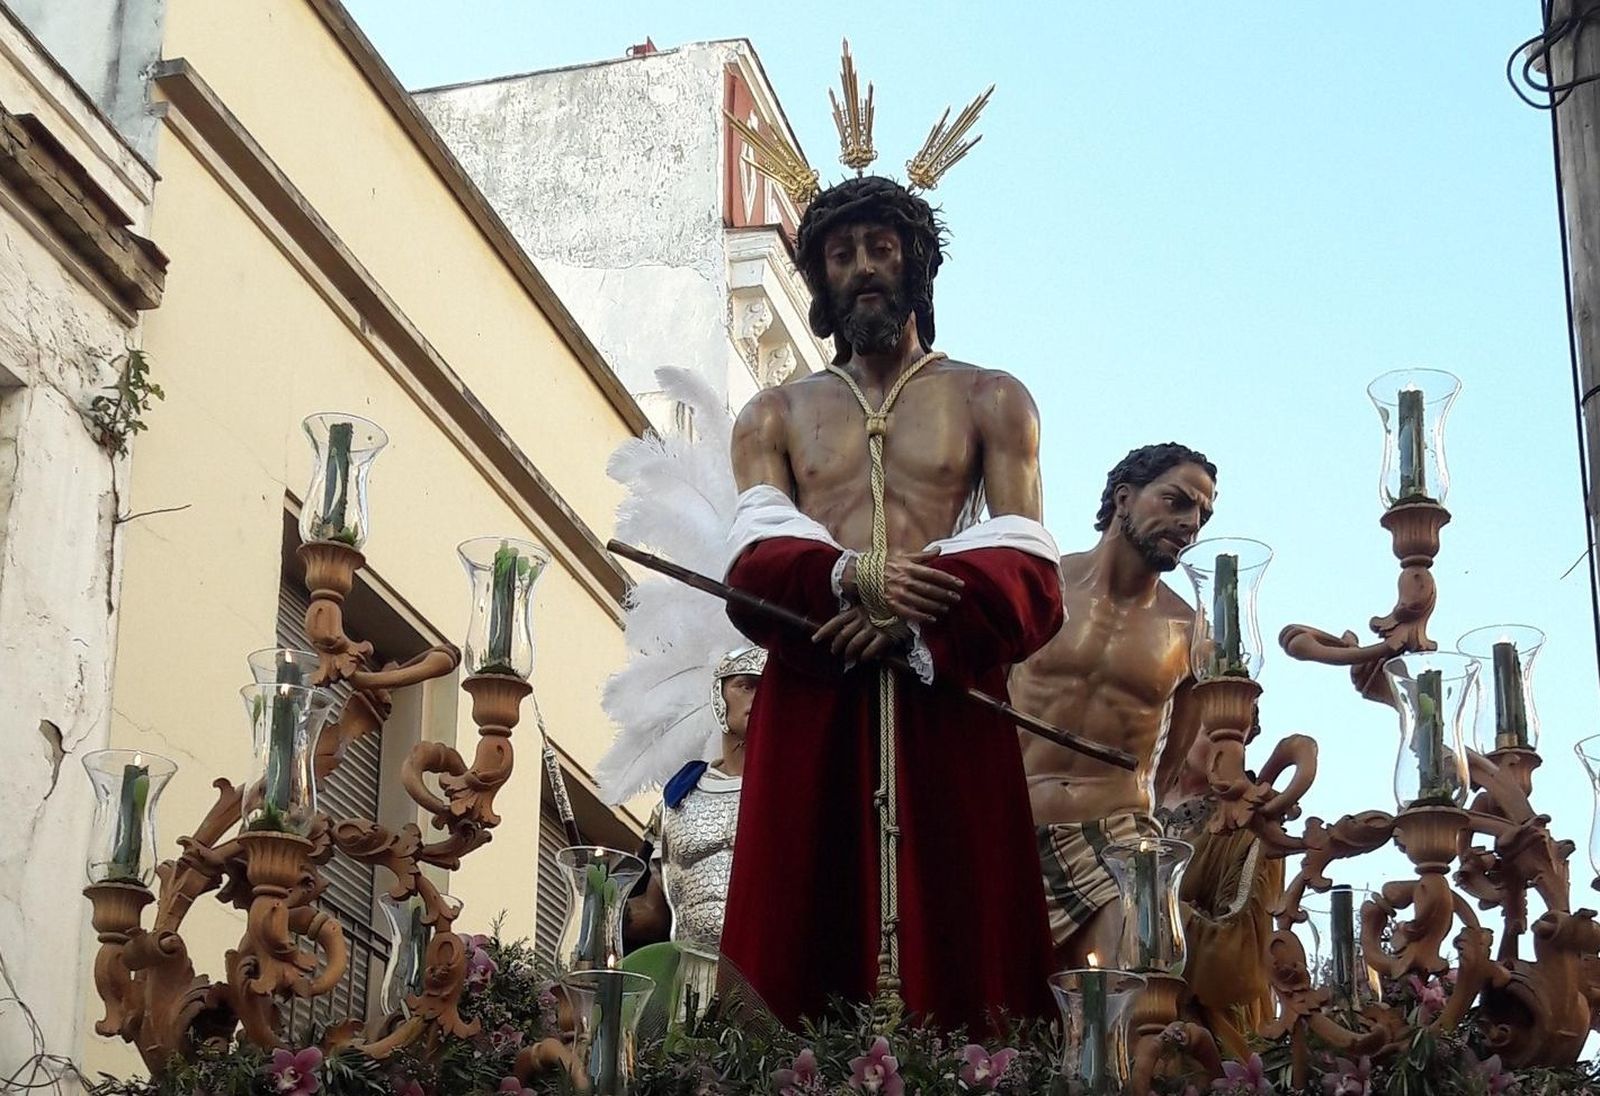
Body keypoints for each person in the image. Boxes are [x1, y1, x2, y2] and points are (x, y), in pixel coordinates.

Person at [718, 170, 1063, 1033]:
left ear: (918, 263)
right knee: (799, 913)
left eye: (881, 248)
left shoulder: (991, 398)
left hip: (946, 690)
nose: (864, 267)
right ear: (819, 281)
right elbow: (752, 558)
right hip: (818, 683)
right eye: (841, 255)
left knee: (967, 919)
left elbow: (1028, 565)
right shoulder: (772, 415)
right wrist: (853, 578)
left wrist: (914, 617)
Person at [1008, 443, 1218, 968]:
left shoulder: (1190, 633)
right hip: (1007, 821)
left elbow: (1169, 762)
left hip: (1113, 836)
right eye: (1176, 501)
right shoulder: (1042, 586)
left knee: (1139, 967)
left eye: (1202, 514)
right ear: (1124, 498)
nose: (1190, 523)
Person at [625, 646, 765, 956]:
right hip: (691, 971)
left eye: (770, 689)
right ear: (719, 696)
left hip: (768, 971)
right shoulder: (678, 798)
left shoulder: (796, 796)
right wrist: (606, 903)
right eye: (746, 686)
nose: (759, 698)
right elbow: (653, 914)